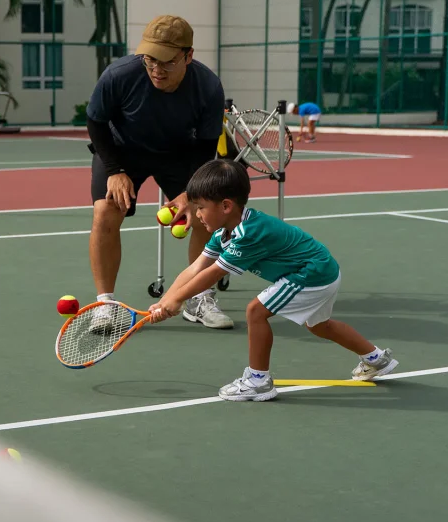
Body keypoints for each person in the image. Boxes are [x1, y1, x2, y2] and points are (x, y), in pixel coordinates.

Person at [146, 159, 399, 402]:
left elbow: (212, 274)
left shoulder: (248, 234)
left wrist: (177, 300)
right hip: (323, 269)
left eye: (200, 207)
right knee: (320, 326)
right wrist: (166, 300)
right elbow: (195, 268)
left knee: (255, 312)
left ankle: (258, 381)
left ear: (225, 206)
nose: (197, 214)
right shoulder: (224, 231)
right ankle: (376, 359)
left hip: (311, 273)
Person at [86, 15, 233, 331]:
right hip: (121, 152)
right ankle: (105, 304)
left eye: (166, 61)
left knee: (207, 213)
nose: (156, 68)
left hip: (179, 154)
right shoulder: (119, 75)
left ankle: (198, 297)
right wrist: (114, 170)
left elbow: (206, 145)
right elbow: (96, 122)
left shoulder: (208, 87)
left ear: (188, 56)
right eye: (150, 58)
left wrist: (191, 193)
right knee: (105, 211)